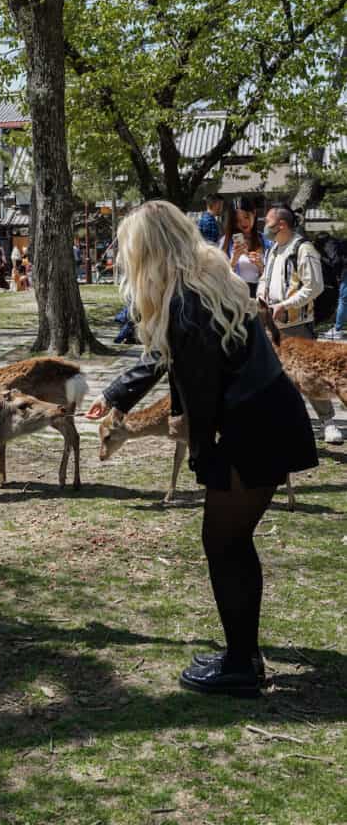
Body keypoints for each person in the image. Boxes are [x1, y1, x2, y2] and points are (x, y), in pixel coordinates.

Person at [86, 200, 317, 697]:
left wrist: (204, 454)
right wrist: (114, 394)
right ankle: (244, 652)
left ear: (148, 251)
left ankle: (239, 666)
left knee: (224, 543)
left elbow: (202, 392)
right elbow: (164, 358)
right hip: (268, 417)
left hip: (249, 428)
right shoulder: (207, 281)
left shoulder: (185, 300)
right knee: (232, 542)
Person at [257, 205, 341, 443]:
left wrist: (286, 304)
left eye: (268, 221)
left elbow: (314, 286)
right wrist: (262, 297)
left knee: (310, 375)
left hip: (296, 323)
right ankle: (283, 421)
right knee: (275, 375)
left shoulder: (303, 249)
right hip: (272, 323)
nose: (265, 226)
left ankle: (328, 422)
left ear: (281, 225)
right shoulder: (273, 248)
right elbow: (266, 276)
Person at [219, 197, 270, 297]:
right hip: (235, 295)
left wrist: (261, 266)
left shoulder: (266, 241)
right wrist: (233, 261)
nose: (243, 223)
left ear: (254, 213)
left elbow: (273, 275)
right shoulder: (226, 242)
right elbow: (219, 276)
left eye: (246, 217)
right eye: (237, 220)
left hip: (260, 294)